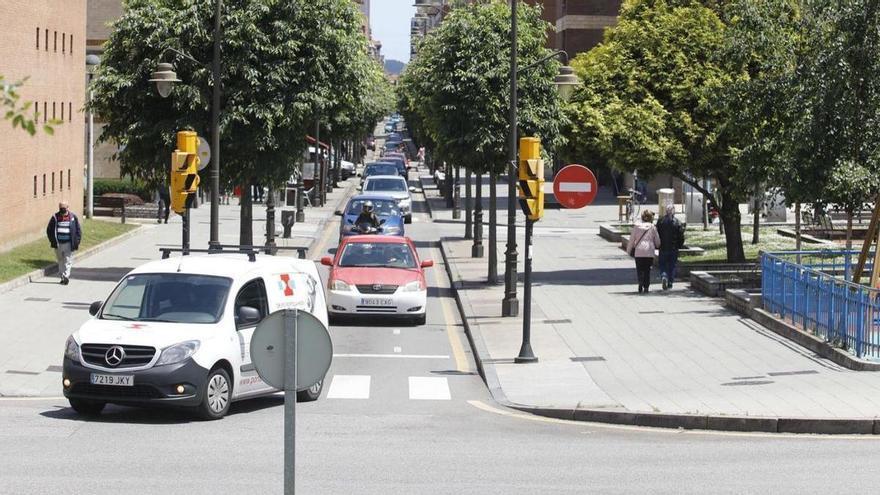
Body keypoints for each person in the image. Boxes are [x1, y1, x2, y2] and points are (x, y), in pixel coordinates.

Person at [46, 201, 82, 285]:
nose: (62, 210)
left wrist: (77, 241)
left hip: (68, 243)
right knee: (60, 260)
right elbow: (49, 230)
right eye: (61, 208)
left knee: (67, 260)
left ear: (67, 207)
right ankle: (62, 276)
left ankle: (66, 276)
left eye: (64, 208)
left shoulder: (72, 217)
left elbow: (78, 230)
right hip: (58, 244)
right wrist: (53, 241)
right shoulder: (55, 217)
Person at [627, 209, 661, 294]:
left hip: (639, 251)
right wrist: (658, 245)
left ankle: (640, 282)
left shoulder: (636, 226)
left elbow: (631, 240)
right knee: (647, 270)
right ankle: (646, 286)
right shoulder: (653, 227)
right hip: (649, 251)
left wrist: (628, 250)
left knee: (639, 269)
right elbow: (657, 240)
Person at [656, 204, 685, 290]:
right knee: (672, 265)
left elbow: (657, 234)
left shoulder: (660, 221)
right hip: (673, 247)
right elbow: (681, 236)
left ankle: (664, 275)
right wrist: (679, 245)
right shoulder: (677, 222)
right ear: (673, 211)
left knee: (662, 264)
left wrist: (657, 244)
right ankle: (670, 282)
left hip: (663, 247)